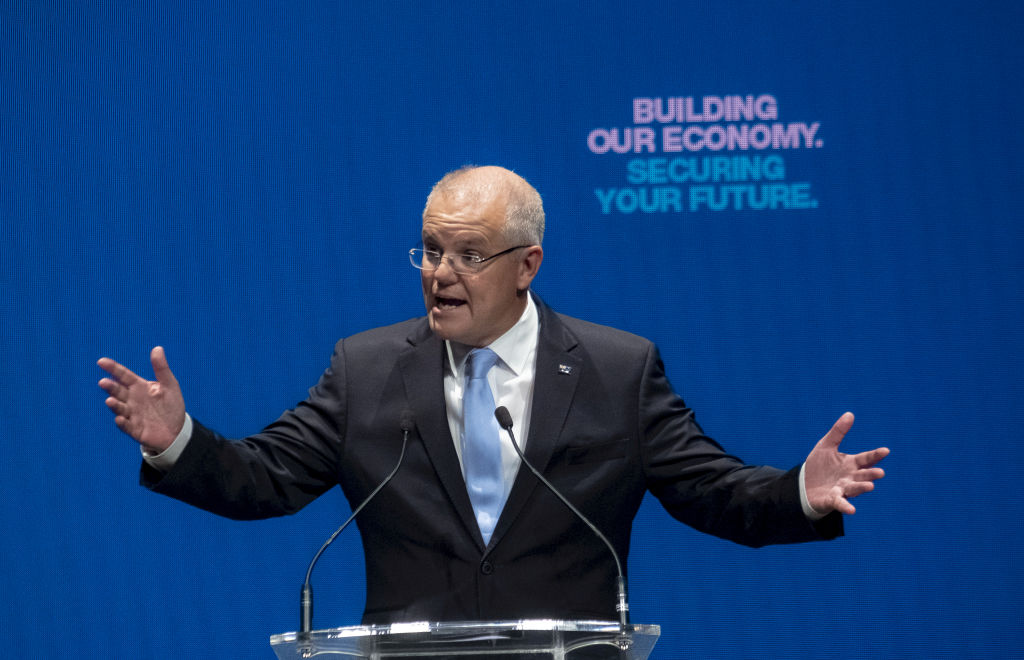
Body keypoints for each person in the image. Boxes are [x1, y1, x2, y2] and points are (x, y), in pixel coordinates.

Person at [98, 165, 888, 625]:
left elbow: (713, 493)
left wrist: (799, 494)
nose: (440, 273)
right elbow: (263, 479)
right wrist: (177, 440)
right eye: (431, 249)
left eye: (468, 254)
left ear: (528, 264)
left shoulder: (618, 370)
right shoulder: (367, 368)